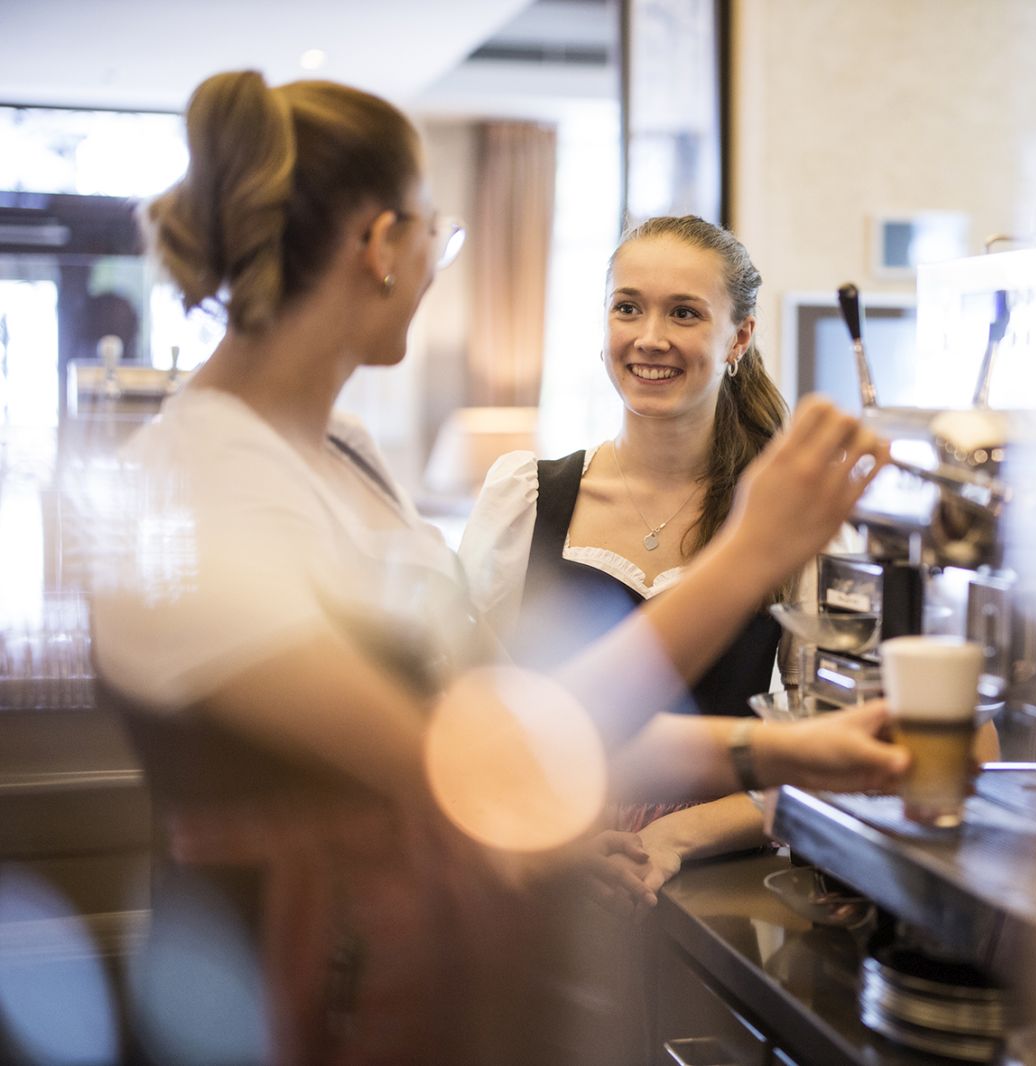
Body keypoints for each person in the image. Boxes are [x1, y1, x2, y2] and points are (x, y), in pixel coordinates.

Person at [89, 70, 900, 1065]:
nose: (439, 260)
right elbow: (484, 769)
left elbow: (514, 715)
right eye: (438, 231)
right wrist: (750, 555)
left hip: (426, 983)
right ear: (382, 244)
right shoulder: (192, 487)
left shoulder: (339, 450)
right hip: (294, 1007)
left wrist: (795, 753)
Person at [459, 215, 793, 912]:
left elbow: (822, 757)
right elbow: (470, 716)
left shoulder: (778, 523)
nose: (650, 338)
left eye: (684, 313)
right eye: (628, 307)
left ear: (738, 337)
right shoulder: (526, 497)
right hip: (539, 877)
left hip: (718, 894)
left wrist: (678, 836)